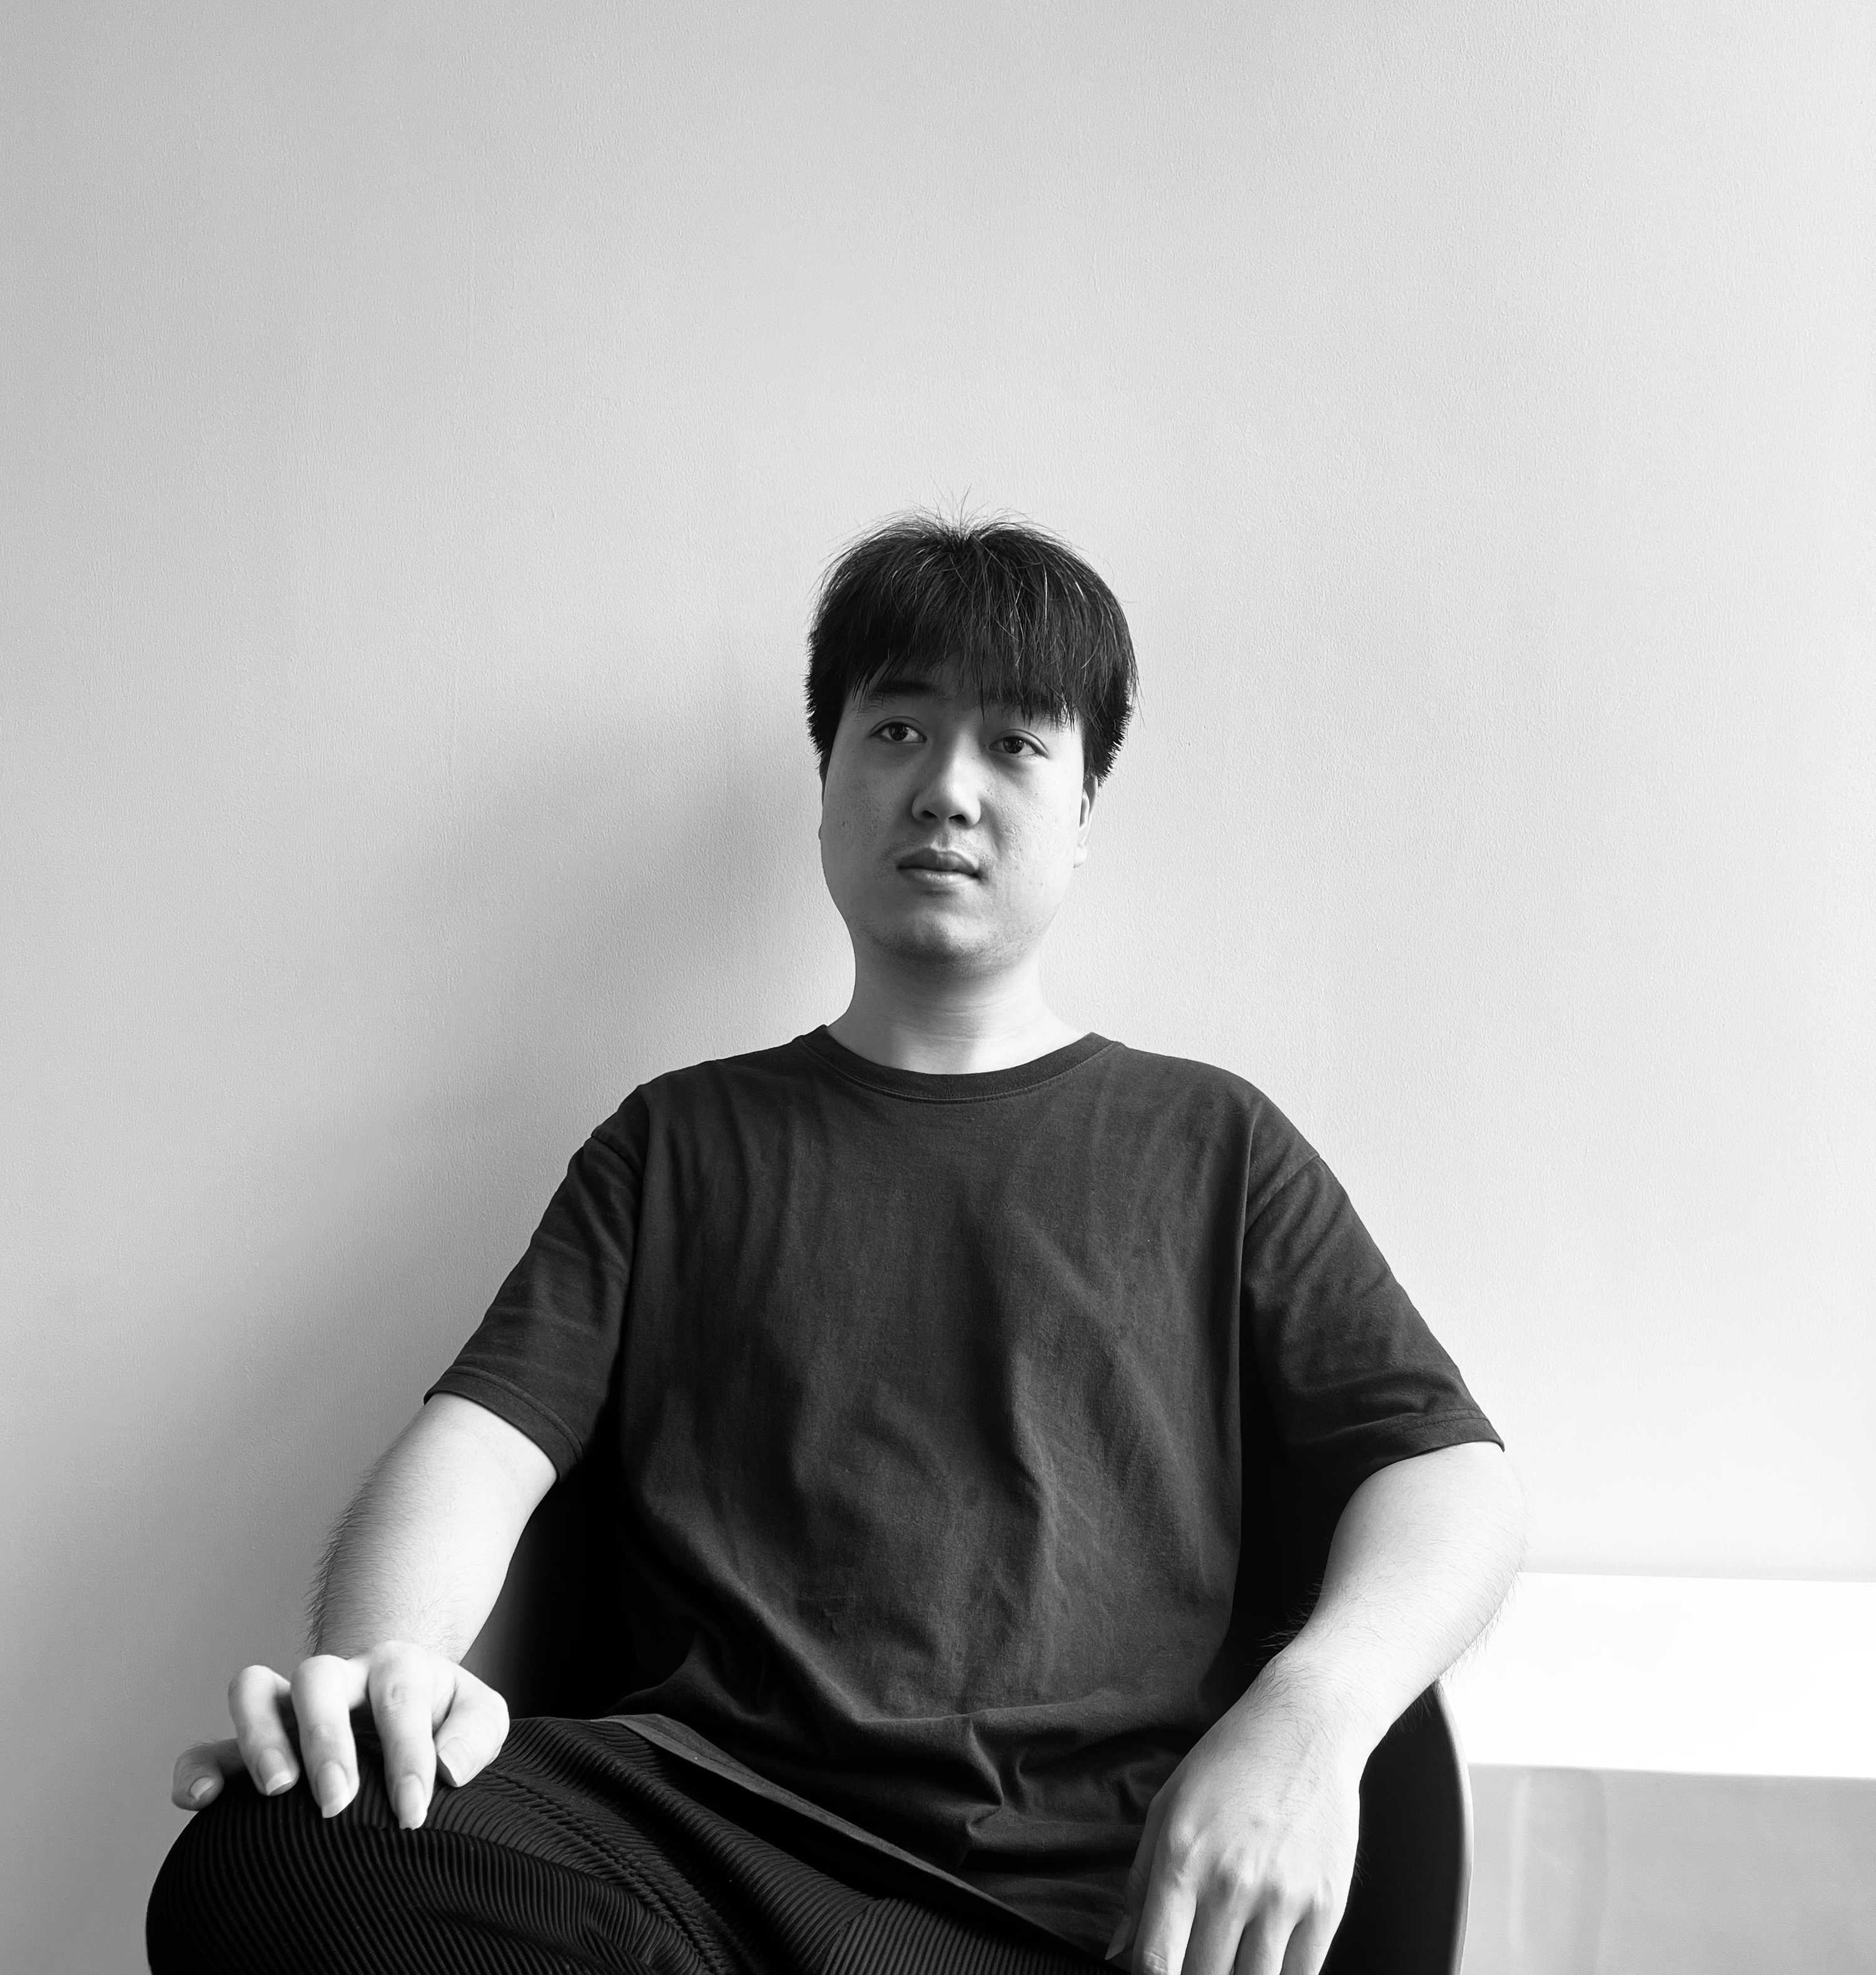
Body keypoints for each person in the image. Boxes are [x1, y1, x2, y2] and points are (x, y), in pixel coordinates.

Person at [150, 514, 1525, 1975]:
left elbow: (1453, 1479)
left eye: (1014, 744)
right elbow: (480, 1451)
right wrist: (383, 1678)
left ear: (1081, 813)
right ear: (827, 791)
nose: (947, 788)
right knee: (277, 1849)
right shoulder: (675, 1144)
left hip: (1066, 1906)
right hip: (695, 1852)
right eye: (898, 731)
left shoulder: (1214, 1144)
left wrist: (1310, 1720)